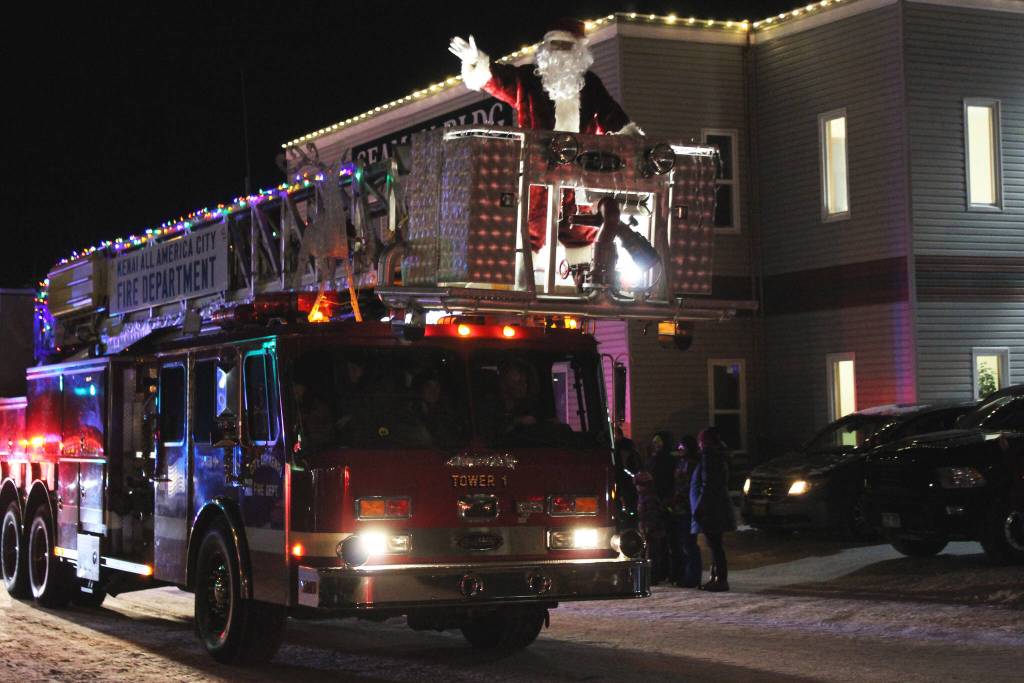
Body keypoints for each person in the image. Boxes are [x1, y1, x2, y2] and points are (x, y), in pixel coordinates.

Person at [449, 19, 643, 252]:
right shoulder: (529, 81)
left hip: (579, 175)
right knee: (531, 232)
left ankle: (580, 279)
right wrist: (476, 62)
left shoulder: (590, 85)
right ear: (545, 48)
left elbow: (614, 118)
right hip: (536, 174)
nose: (559, 52)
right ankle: (529, 277)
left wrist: (634, 143)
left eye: (565, 45)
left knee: (580, 232)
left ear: (579, 50)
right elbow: (497, 80)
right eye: (554, 44)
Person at [690, 427, 737, 592]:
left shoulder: (709, 457)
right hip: (716, 507)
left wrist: (700, 507)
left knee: (715, 545)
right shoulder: (718, 457)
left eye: (701, 440)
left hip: (712, 509)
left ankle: (720, 579)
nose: (700, 444)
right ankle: (716, 577)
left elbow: (707, 485)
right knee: (714, 544)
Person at [635, 431, 674, 584]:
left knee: (659, 542)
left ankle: (659, 572)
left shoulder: (666, 462)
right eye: (654, 442)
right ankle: (657, 572)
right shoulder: (651, 460)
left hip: (658, 504)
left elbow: (665, 483)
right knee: (653, 541)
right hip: (649, 505)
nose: (655, 445)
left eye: (659, 442)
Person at [670, 435, 702, 588]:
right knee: (683, 543)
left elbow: (688, 485)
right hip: (679, 508)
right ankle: (685, 574)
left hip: (687, 507)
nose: (680, 450)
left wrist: (678, 497)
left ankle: (692, 576)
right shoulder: (681, 463)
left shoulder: (692, 464)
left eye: (682, 447)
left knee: (689, 544)